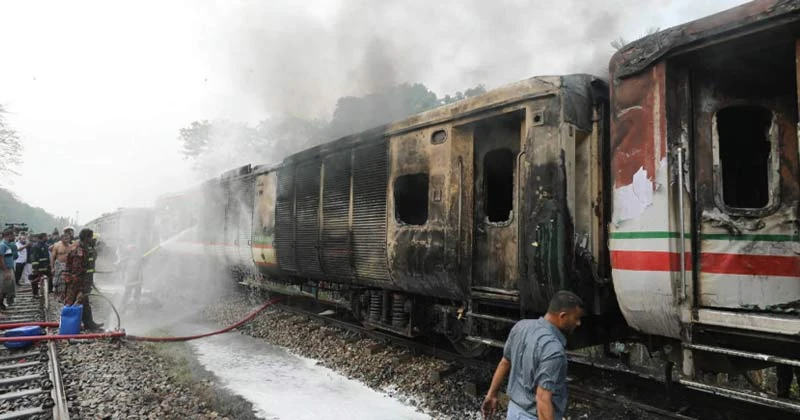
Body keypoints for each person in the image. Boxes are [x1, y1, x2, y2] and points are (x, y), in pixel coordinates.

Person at [481, 291, 585, 420]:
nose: (578, 323)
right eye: (576, 318)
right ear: (562, 316)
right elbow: (542, 399)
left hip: (514, 411)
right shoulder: (554, 351)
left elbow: (505, 362)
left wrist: (491, 394)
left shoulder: (521, 327)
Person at [64, 228, 103, 331]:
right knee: (71, 302)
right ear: (86, 238)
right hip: (76, 282)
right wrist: (81, 287)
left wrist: (90, 282)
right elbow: (77, 271)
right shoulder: (79, 250)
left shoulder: (85, 248)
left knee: (85, 302)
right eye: (90, 237)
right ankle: (67, 326)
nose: (92, 240)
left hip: (84, 281)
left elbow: (88, 268)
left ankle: (89, 324)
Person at [30, 233, 51, 298]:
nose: (47, 238)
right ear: (43, 237)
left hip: (46, 266)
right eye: (46, 237)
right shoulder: (35, 246)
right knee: (35, 280)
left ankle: (48, 291)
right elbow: (34, 258)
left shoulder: (46, 246)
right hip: (39, 267)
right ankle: (35, 293)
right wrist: (35, 268)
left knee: (49, 278)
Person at [0, 229, 17, 309]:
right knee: (3, 287)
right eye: (13, 235)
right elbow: (1, 258)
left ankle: (5, 303)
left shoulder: (7, 245)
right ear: (8, 236)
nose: (14, 237)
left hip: (9, 269)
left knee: (9, 286)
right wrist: (6, 271)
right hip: (5, 270)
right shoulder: (2, 245)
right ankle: (1, 304)